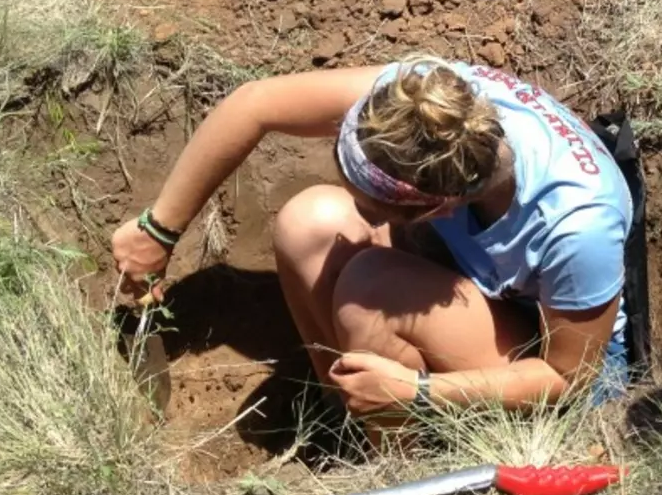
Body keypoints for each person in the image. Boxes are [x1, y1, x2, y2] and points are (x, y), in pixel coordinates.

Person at [111, 55, 633, 418]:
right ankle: (347, 412)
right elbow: (256, 104)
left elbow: (569, 378)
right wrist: (159, 229)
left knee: (371, 293)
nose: (365, 216)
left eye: (373, 208)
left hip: (552, 361)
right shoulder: (428, 104)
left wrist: (421, 392)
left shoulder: (577, 221)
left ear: (434, 206)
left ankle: (394, 465)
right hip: (472, 284)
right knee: (309, 222)